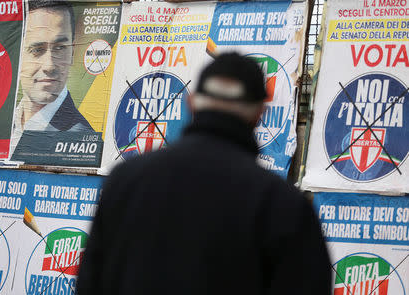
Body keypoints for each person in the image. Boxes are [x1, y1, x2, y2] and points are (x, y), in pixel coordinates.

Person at [77, 53, 332, 295]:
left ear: (191, 102)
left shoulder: (126, 180)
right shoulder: (282, 204)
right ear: (259, 114)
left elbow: (91, 282)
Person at [11, 0, 93, 151]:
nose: (49, 65)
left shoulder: (80, 138)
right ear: (17, 53)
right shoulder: (1, 124)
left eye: (60, 48)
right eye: (37, 49)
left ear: (72, 52)